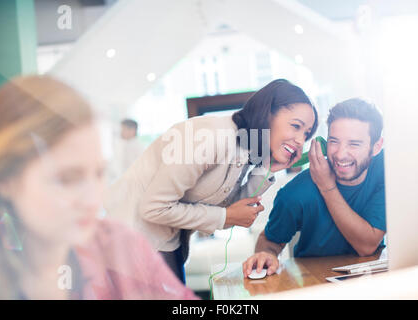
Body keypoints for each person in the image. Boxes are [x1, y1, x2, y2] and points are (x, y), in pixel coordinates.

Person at [0, 75, 197, 300]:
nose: (92, 200)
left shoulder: (119, 244)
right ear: (5, 179)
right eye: (67, 179)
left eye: (99, 173)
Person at [104, 79, 319, 283]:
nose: (301, 140)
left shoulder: (244, 146)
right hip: (131, 237)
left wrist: (267, 169)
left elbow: (230, 209)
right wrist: (225, 216)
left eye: (306, 133)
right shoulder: (209, 137)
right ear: (268, 113)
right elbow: (153, 207)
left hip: (165, 237)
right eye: (296, 126)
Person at [243, 98, 386, 278]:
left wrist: (327, 186)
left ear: (376, 147)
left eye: (354, 144)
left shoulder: (387, 171)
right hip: (315, 283)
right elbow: (270, 241)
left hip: (374, 281)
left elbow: (367, 245)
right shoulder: (295, 194)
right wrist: (265, 255)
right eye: (334, 141)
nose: (341, 154)